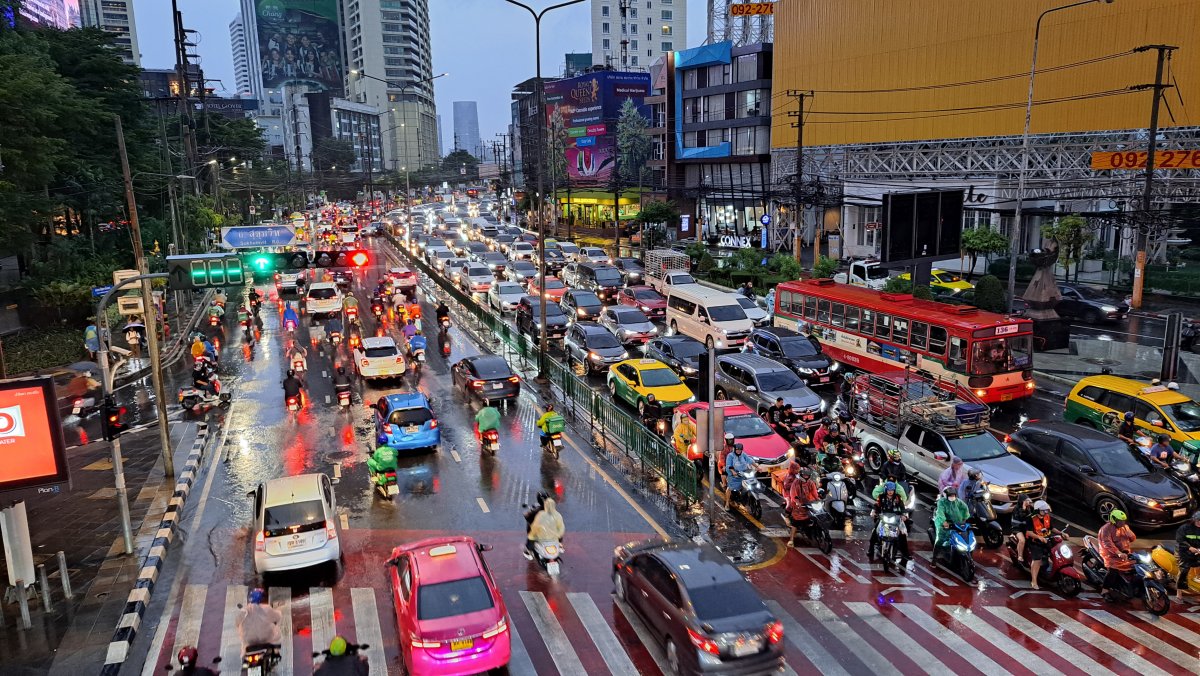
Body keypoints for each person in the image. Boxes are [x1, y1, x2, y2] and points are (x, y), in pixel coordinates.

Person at [1097, 510, 1137, 601]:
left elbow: (1133, 538)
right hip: (1110, 554)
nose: (1122, 523)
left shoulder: (1125, 527)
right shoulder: (1105, 529)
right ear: (1114, 520)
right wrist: (1118, 553)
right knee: (1113, 571)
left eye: (1123, 521)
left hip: (1124, 553)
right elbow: (1107, 544)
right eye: (1120, 521)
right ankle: (1105, 590)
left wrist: (1130, 534)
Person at [870, 481, 911, 564]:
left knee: (902, 534)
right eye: (889, 490)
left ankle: (906, 553)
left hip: (895, 519)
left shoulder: (898, 498)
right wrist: (874, 512)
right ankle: (870, 549)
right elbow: (876, 505)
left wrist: (904, 515)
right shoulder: (881, 497)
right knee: (875, 531)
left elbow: (903, 508)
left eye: (892, 490)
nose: (890, 491)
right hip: (883, 517)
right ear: (885, 490)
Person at [785, 466, 820, 548]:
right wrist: (798, 502)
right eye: (804, 476)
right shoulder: (796, 483)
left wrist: (817, 499)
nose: (806, 477)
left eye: (807, 476)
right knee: (796, 522)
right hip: (799, 505)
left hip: (808, 503)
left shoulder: (811, 483)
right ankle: (791, 540)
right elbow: (793, 494)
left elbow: (814, 493)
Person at [932, 486, 969, 561]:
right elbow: (940, 513)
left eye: (953, 495)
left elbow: (965, 508)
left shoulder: (958, 502)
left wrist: (965, 518)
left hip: (956, 524)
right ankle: (934, 558)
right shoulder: (942, 502)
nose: (952, 497)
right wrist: (944, 522)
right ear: (946, 496)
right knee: (940, 539)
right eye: (950, 495)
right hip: (943, 524)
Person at [1025, 500, 1055, 590]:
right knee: (1037, 559)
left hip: (1046, 540)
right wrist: (1039, 537)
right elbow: (1028, 532)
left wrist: (1061, 533)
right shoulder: (1031, 518)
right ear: (1037, 510)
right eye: (1043, 511)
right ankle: (1034, 581)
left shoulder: (1047, 517)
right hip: (1034, 542)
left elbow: (1052, 528)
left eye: (1046, 510)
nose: (1045, 512)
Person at [1175, 510, 1200, 601]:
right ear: (1194, 520)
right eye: (1198, 521)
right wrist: (1189, 548)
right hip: (1183, 552)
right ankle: (1179, 591)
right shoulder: (1184, 528)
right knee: (1184, 569)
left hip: (1197, 551)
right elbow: (1180, 540)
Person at [724, 443, 756, 510]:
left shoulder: (743, 454)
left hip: (743, 474)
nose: (739, 451)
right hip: (733, 476)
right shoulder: (730, 456)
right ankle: (727, 504)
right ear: (734, 449)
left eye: (740, 450)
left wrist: (757, 467)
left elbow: (749, 460)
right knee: (730, 488)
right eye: (737, 450)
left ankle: (744, 500)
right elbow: (729, 465)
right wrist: (733, 472)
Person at [1010, 496, 1036, 564]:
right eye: (1026, 500)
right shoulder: (1017, 508)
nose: (1028, 501)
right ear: (1022, 501)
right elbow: (1022, 517)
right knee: (1022, 540)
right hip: (1017, 528)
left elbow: (1035, 514)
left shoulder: (1029, 507)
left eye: (1028, 500)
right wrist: (1024, 508)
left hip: (1026, 527)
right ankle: (1020, 556)